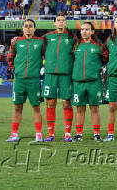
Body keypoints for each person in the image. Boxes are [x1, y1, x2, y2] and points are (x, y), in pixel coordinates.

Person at [6, 19, 44, 142]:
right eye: (26, 26)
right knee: (17, 107)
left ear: (34, 28)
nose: (28, 28)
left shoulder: (40, 42)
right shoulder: (16, 42)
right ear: (23, 28)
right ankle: (14, 134)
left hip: (34, 80)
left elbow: (47, 56)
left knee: (36, 107)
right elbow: (10, 57)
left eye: (30, 26)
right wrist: (15, 70)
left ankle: (38, 134)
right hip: (19, 80)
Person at [42, 14, 77, 142]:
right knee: (50, 103)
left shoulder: (72, 38)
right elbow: (33, 42)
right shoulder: (47, 37)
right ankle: (50, 133)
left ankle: (68, 133)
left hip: (66, 74)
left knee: (66, 103)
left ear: (66, 23)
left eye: (63, 20)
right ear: (54, 23)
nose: (61, 22)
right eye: (58, 20)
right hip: (50, 74)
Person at [72, 22, 109, 142]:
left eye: (87, 29)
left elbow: (106, 59)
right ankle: (79, 134)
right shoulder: (76, 46)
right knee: (79, 108)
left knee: (94, 108)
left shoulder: (99, 46)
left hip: (94, 82)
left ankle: (97, 134)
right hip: (78, 82)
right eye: (82, 29)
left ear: (92, 32)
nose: (84, 32)